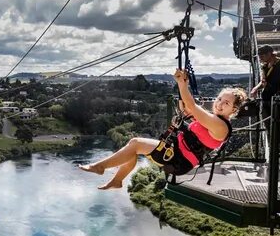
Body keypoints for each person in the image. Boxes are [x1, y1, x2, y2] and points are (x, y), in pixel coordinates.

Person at [79, 69, 247, 190]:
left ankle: (101, 167)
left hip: (179, 160)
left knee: (136, 144)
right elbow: (189, 110)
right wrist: (185, 102)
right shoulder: (213, 119)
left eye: (227, 103)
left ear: (234, 110)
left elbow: (192, 107)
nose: (219, 103)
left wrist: (182, 85)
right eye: (219, 99)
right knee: (133, 144)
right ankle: (117, 180)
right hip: (174, 152)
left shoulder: (221, 126)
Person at [250, 45, 280, 136]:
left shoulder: (279, 64)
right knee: (269, 126)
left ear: (269, 54)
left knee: (277, 126)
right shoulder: (265, 66)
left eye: (262, 56)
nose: (260, 59)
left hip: (277, 101)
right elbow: (263, 82)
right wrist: (255, 88)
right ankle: (273, 147)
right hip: (266, 99)